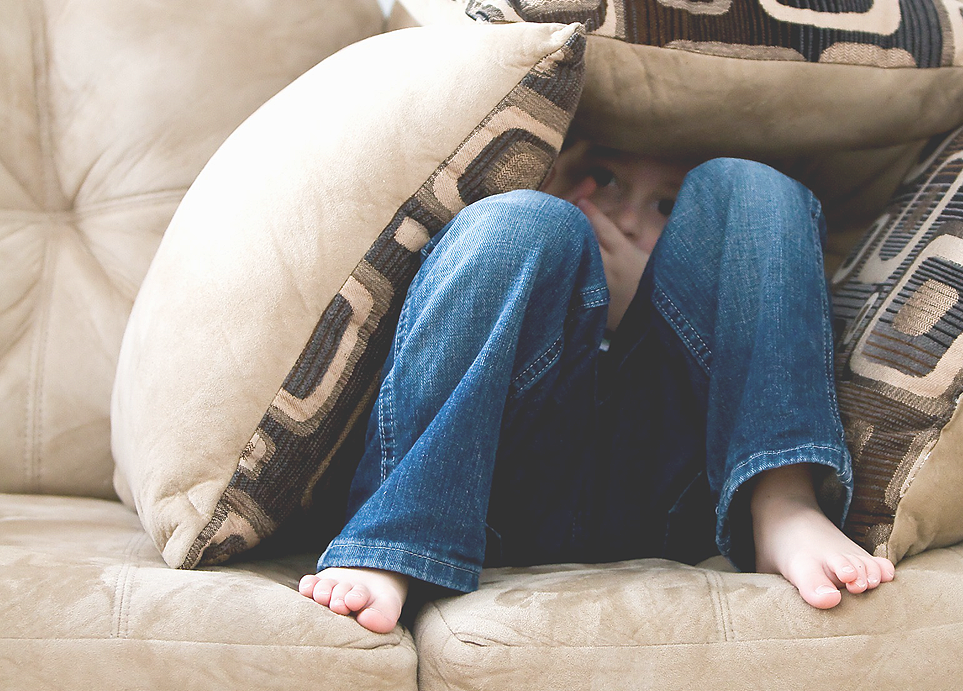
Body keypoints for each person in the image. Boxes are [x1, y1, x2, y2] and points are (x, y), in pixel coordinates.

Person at [298, 141, 894, 634]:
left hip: (673, 493)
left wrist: (644, 299)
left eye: (667, 205)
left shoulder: (709, 261)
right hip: (496, 493)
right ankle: (397, 539)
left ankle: (781, 498)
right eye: (604, 180)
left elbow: (734, 289)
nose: (628, 218)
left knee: (753, 186)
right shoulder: (551, 236)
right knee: (519, 223)